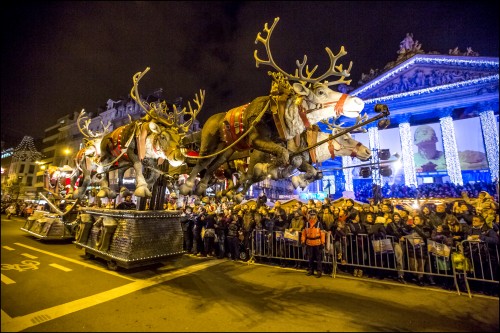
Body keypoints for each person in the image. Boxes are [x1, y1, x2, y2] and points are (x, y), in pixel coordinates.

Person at [301, 209, 325, 278]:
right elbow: (304, 233)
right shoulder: (307, 223)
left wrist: (323, 242)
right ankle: (311, 270)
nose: (312, 216)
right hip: (309, 243)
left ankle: (319, 271)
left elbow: (322, 233)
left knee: (318, 258)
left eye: (313, 215)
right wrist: (303, 241)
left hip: (317, 243)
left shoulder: (319, 223)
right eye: (311, 215)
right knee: (310, 258)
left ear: (316, 215)